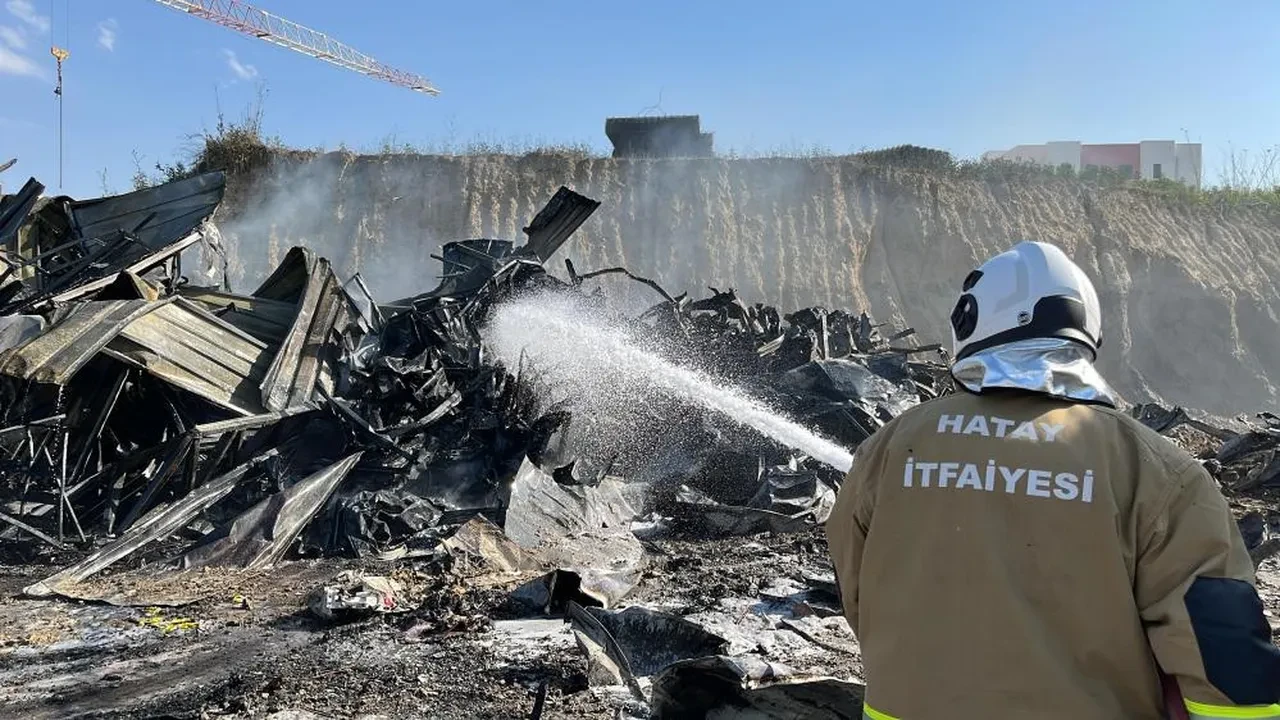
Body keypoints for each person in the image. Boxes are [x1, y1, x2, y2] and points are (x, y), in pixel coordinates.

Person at [825, 240, 1280, 719]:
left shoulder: (894, 444)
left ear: (972, 323)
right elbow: (1223, 651)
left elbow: (856, 584)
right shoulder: (1153, 467)